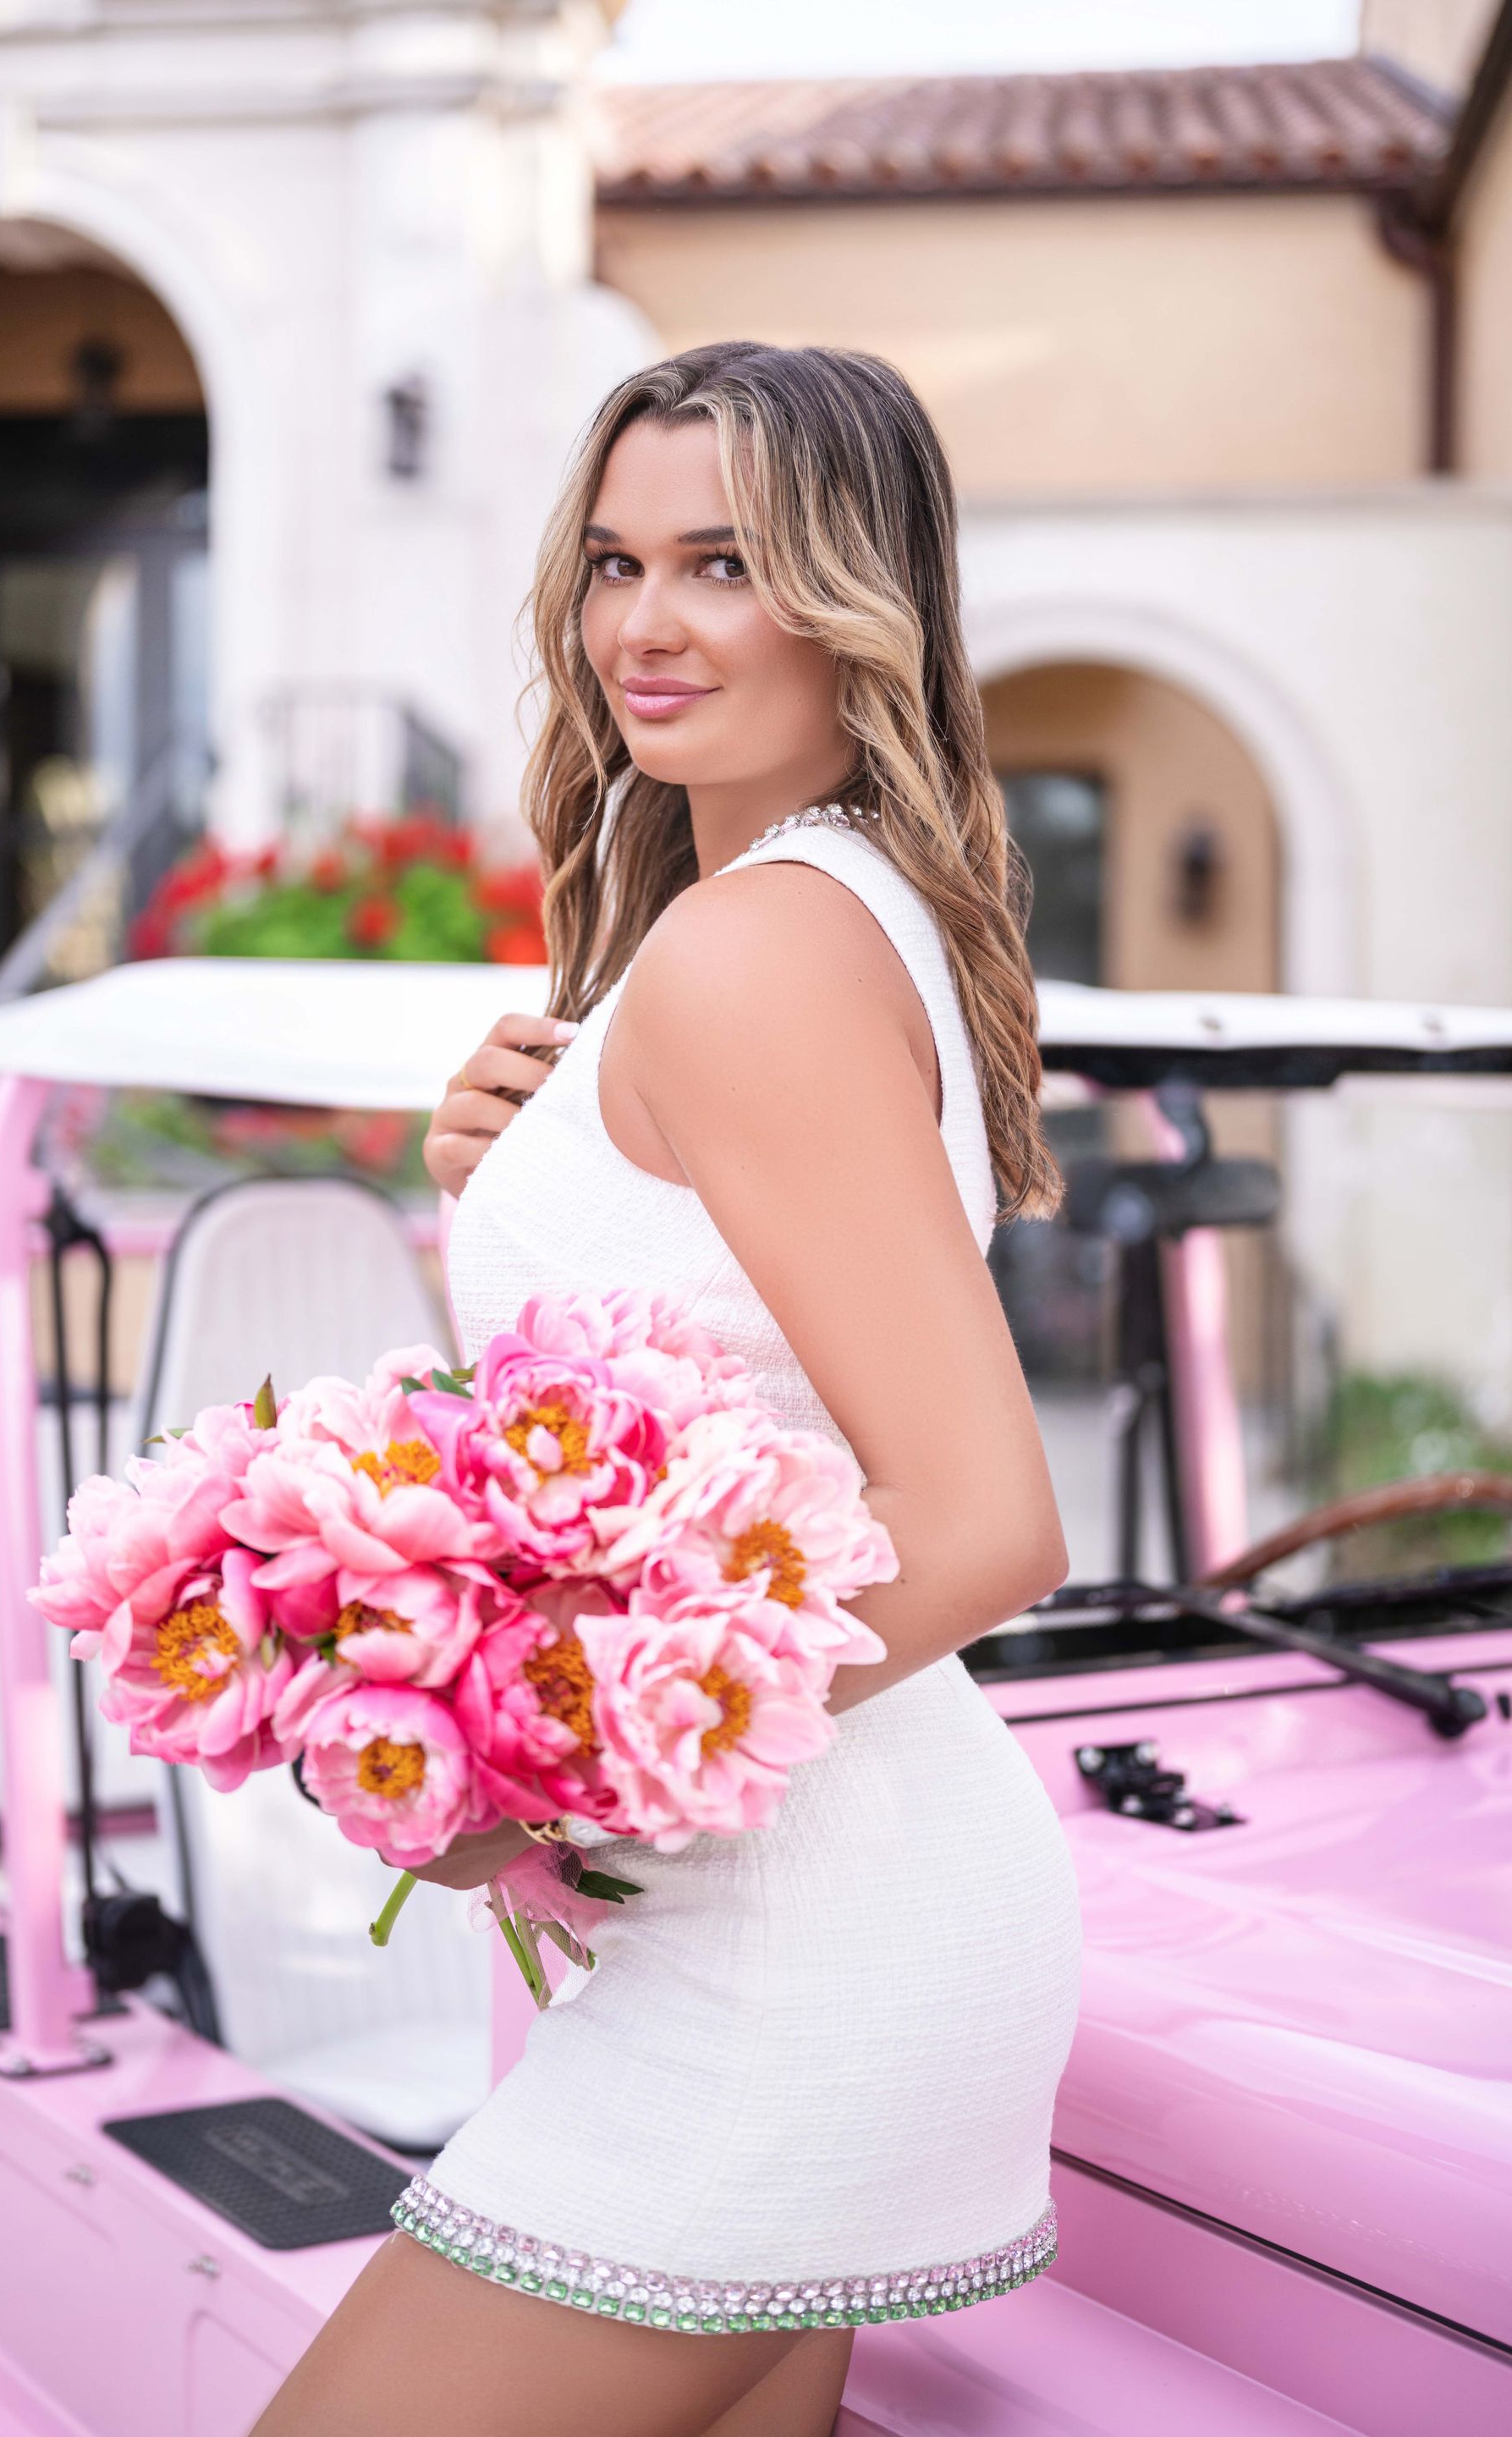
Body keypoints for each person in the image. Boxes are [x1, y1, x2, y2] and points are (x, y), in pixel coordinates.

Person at [252, 342, 1081, 2437]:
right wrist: (513, 1171)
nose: (645, 623)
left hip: (797, 1941)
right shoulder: (801, 925)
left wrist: (515, 1778)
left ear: (852, 595)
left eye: (724, 561)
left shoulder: (754, 951)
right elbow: (722, 1370)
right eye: (617, 562)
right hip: (801, 1909)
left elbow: (988, 1520)